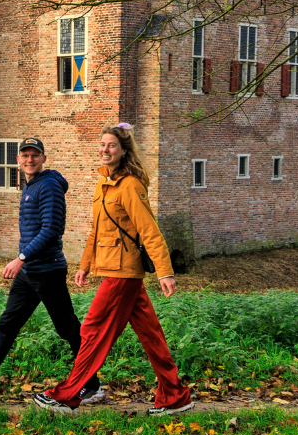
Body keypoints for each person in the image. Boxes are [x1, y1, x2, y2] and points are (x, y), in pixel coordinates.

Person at [33, 122, 193, 416]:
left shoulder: (130, 185)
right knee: (152, 335)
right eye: (103, 144)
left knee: (92, 330)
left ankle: (68, 395)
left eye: (112, 146)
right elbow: (97, 231)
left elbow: (149, 230)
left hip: (123, 272)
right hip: (112, 269)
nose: (105, 150)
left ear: (123, 151)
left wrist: (164, 271)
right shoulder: (104, 184)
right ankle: (175, 395)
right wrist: (84, 265)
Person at [0, 138, 104, 405]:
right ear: (18, 160)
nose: (29, 160)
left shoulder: (50, 186)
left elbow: (51, 229)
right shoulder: (31, 185)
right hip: (30, 272)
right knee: (8, 324)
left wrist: (20, 258)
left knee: (67, 328)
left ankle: (92, 384)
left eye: (35, 155)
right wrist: (24, 262)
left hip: (47, 270)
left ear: (44, 158)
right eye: (25, 155)